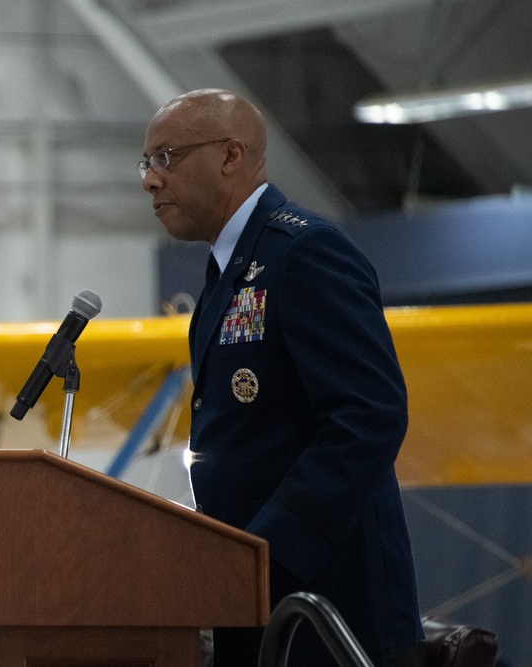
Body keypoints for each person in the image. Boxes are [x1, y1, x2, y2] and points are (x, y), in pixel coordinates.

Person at [141, 88, 425, 666]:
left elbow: (369, 415)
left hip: (331, 615)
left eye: (166, 158)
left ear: (230, 155)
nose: (150, 180)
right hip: (265, 610)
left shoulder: (305, 251)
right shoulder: (228, 273)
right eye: (146, 162)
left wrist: (265, 556)